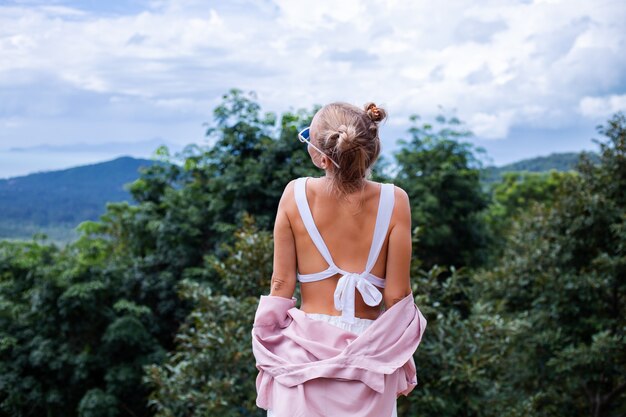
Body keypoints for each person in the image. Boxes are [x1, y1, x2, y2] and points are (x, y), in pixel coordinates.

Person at [251, 102, 427, 417]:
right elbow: (398, 296)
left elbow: (281, 284)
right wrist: (399, 354)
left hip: (303, 352)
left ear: (321, 156)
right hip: (369, 354)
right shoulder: (395, 201)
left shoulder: (295, 194)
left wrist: (268, 349)